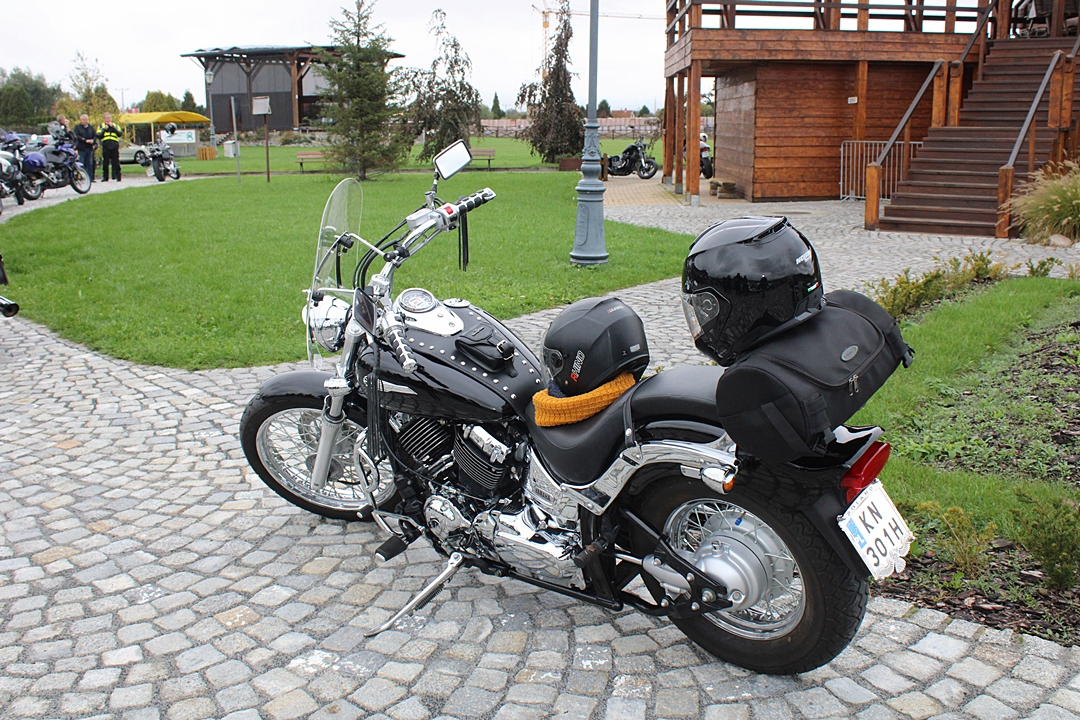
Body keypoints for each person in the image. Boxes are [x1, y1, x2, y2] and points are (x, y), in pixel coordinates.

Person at [97, 113, 122, 182]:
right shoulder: (101, 126)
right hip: (106, 145)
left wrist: (113, 128)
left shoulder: (116, 125)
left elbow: (119, 134)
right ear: (104, 119)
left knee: (116, 162)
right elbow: (99, 135)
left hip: (114, 145)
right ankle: (105, 177)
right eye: (107, 118)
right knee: (105, 162)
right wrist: (105, 129)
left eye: (109, 118)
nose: (108, 119)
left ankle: (117, 176)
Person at [73, 114, 96, 180]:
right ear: (81, 120)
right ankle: (82, 177)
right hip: (81, 148)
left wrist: (92, 141)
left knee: (90, 164)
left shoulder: (91, 128)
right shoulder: (77, 127)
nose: (85, 121)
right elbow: (76, 136)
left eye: (86, 119)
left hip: (89, 148)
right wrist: (85, 140)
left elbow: (95, 136)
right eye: (84, 120)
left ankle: (91, 178)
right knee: (81, 163)